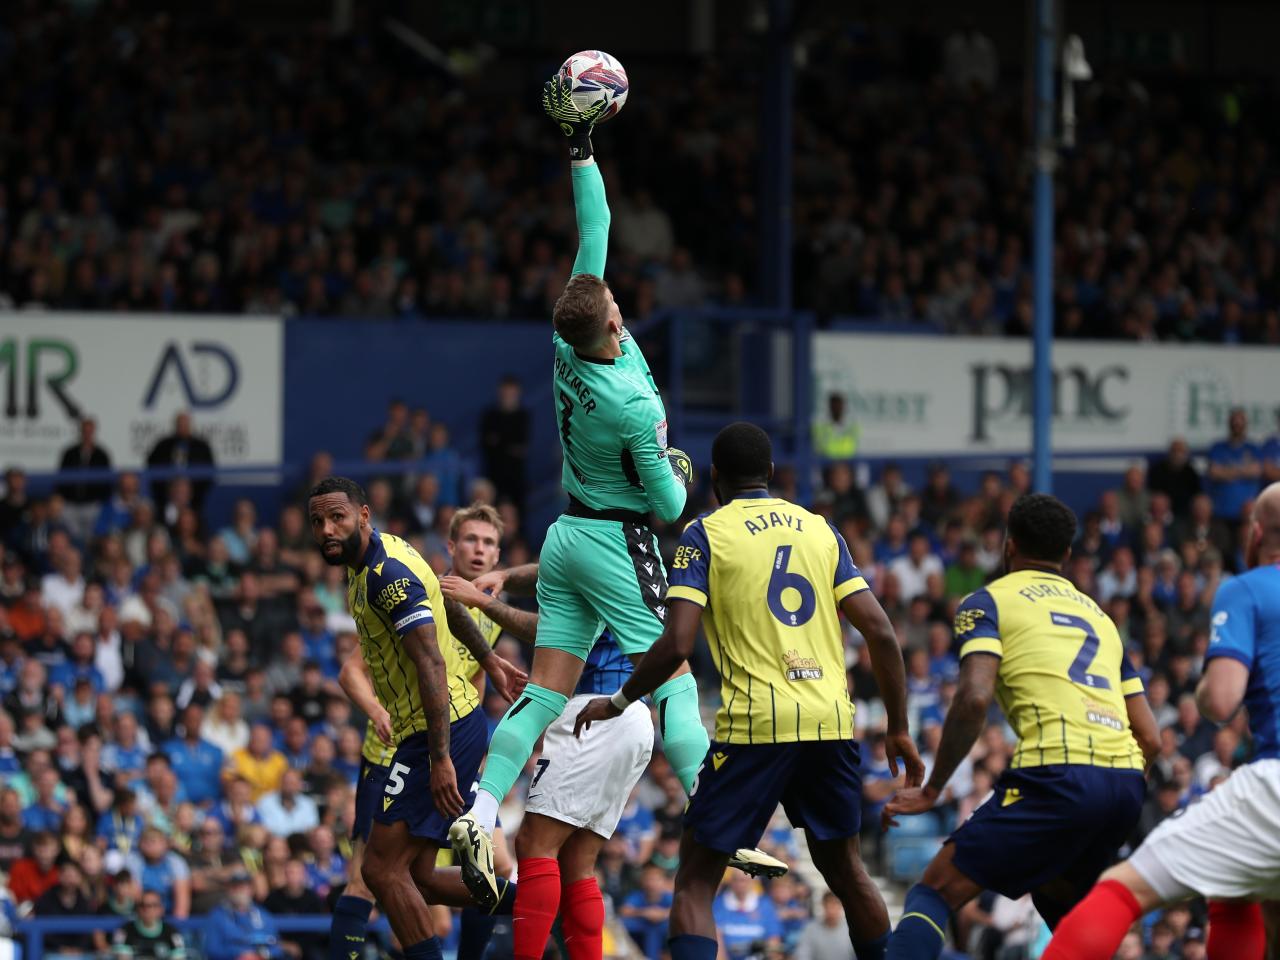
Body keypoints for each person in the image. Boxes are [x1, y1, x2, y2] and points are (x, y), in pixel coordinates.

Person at [449, 70, 705, 911]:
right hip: (615, 538)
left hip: (565, 535)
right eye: (617, 301)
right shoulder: (631, 404)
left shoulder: (567, 340)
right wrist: (678, 472)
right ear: (615, 321)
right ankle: (713, 804)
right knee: (673, 674)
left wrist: (581, 144)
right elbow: (670, 510)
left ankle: (481, 809)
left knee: (544, 691)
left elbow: (593, 226)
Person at [576, 421, 923, 960]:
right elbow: (880, 631)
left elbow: (677, 642)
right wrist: (898, 727)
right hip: (829, 722)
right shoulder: (821, 530)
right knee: (848, 872)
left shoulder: (705, 534)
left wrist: (619, 700)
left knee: (695, 880)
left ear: (715, 476)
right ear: (771, 473)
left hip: (756, 725)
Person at [880, 493, 1162, 960]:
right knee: (1062, 905)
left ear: (1009, 546)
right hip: (1125, 786)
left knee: (933, 891)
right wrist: (1115, 783)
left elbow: (974, 698)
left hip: (1057, 775)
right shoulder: (1102, 619)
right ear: (1067, 553)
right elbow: (1150, 737)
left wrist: (933, 789)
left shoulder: (989, 602)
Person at [1041, 482, 1280, 960]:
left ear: (1255, 534)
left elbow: (1222, 701)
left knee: (1121, 888)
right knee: (1239, 889)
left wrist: (1205, 689)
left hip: (1274, 784)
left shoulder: (1248, 588)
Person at [308, 477, 525, 960]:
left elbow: (431, 663)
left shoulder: (387, 576)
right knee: (419, 876)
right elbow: (448, 605)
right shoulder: (379, 557)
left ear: (363, 516)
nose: (327, 529)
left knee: (379, 870)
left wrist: (440, 757)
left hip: (435, 733)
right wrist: (489, 660)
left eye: (337, 517)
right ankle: (541, 904)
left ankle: (538, 906)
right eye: (318, 521)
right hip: (433, 730)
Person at [202, 870, 283, 960]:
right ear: (229, 890)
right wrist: (240, 954)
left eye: (244, 887)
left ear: (251, 890)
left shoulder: (263, 915)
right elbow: (212, 949)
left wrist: (261, 955)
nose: (240, 891)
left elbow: (276, 947)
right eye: (236, 887)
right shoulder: (217, 916)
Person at [478, 375, 531, 510]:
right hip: (493, 474)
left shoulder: (523, 416)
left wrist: (499, 441)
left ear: (518, 392)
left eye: (511, 391)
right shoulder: (489, 415)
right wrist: (508, 444)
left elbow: (522, 445)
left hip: (516, 477)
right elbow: (486, 444)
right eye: (505, 390)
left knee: (517, 511)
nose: (508, 394)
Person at [57, 417, 112, 542]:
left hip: (93, 504)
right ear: (80, 432)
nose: (87, 434)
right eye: (84, 431)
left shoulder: (102, 455)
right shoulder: (69, 453)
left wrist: (101, 500)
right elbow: (61, 478)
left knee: (91, 539)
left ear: (94, 432)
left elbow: (107, 481)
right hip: (71, 504)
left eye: (90, 431)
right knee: (72, 536)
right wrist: (62, 497)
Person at [145, 412, 215, 511]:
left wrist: (191, 488)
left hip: (196, 496)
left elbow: (209, 471)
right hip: (164, 495)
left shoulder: (201, 446)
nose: (182, 427)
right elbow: (152, 467)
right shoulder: (163, 445)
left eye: (185, 424)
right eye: (180, 424)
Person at [1206, 408, 1262, 522]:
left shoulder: (1253, 448)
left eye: (1240, 423)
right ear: (1229, 424)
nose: (1237, 426)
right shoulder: (1217, 447)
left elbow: (1255, 471)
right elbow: (1214, 473)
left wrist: (1226, 471)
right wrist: (1243, 470)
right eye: (1234, 423)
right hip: (1221, 510)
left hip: (1247, 512)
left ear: (1245, 425)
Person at [110, 890, 188, 959]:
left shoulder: (172, 933)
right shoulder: (125, 931)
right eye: (143, 905)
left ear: (161, 909)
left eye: (153, 905)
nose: (147, 909)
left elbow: (179, 957)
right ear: (137, 908)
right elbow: (122, 957)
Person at [795, 892, 857, 960]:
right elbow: (803, 953)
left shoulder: (851, 929)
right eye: (829, 906)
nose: (832, 910)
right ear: (823, 906)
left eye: (835, 905)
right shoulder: (811, 929)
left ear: (841, 906)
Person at [813, 393, 860, 461]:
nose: (837, 408)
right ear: (829, 407)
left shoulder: (852, 425)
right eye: (834, 405)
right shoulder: (820, 425)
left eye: (839, 405)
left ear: (844, 406)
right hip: (827, 462)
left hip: (848, 462)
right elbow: (820, 448)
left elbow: (854, 446)